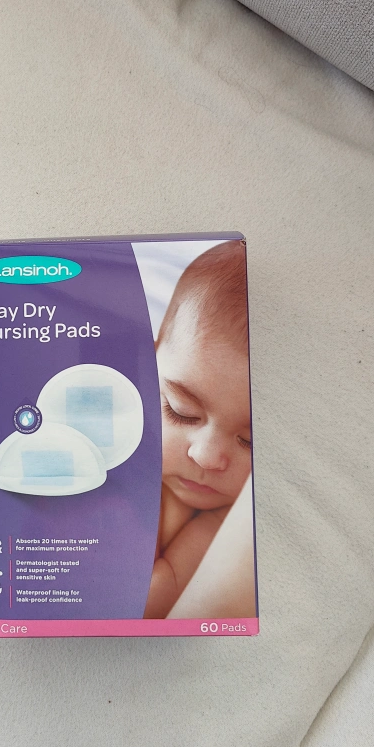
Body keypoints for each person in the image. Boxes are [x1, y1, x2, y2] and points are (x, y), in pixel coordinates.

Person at [144, 240, 253, 619]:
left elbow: (145, 602)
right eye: (182, 412)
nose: (205, 457)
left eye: (249, 441)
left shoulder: (224, 526)